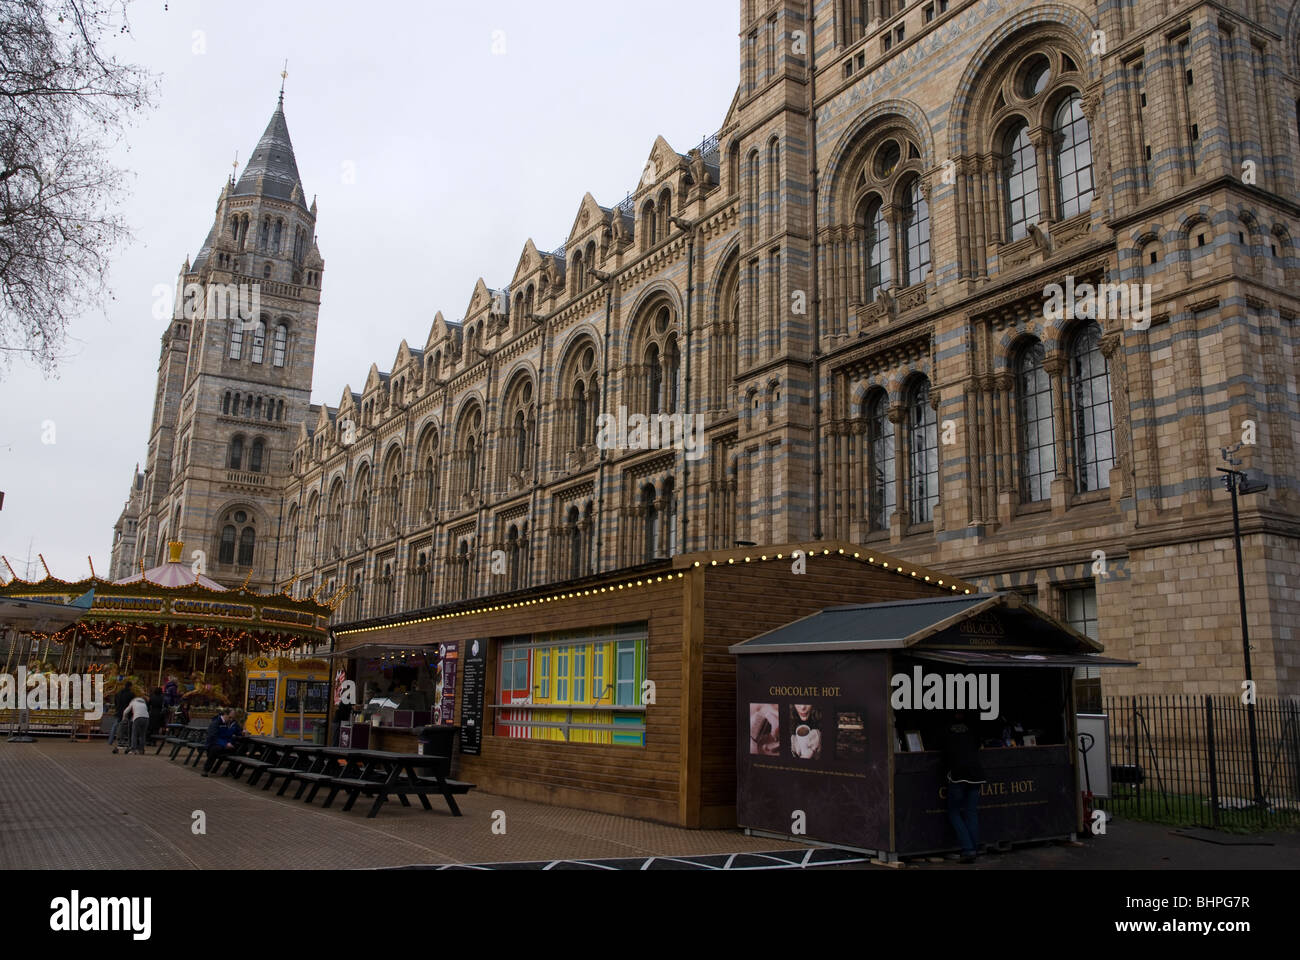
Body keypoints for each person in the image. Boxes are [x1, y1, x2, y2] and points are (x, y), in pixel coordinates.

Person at [942, 709, 986, 863]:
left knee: (954, 812)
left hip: (958, 775)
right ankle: (974, 848)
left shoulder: (946, 729)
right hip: (975, 774)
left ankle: (968, 849)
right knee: (971, 812)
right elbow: (978, 745)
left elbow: (943, 752)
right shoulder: (972, 728)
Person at [200, 708, 236, 777]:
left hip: (223, 744)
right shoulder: (216, 722)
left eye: (233, 718)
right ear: (225, 714)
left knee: (238, 749)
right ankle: (206, 769)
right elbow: (213, 737)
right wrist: (225, 744)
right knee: (215, 749)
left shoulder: (228, 723)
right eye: (230, 717)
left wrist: (241, 733)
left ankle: (232, 769)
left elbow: (230, 734)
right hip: (213, 744)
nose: (231, 719)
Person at [108, 681, 134, 754]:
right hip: (126, 713)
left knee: (115, 726)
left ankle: (111, 740)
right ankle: (126, 741)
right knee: (126, 727)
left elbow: (115, 702)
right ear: (130, 686)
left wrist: (117, 708)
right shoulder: (131, 694)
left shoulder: (118, 693)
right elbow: (132, 704)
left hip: (118, 711)